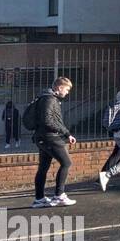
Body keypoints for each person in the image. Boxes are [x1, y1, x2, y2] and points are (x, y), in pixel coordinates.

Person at [31, 77, 77, 208]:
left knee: (43, 167)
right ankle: (59, 196)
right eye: (67, 89)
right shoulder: (49, 99)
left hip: (42, 137)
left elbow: (50, 120)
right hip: (49, 137)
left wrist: (65, 133)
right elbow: (48, 121)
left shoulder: (46, 98)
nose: (67, 92)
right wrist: (66, 133)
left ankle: (39, 199)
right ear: (59, 87)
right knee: (66, 163)